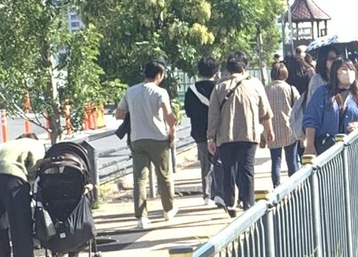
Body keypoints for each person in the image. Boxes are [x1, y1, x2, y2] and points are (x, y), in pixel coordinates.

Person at [205, 51, 271, 214]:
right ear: (244, 68)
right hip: (249, 134)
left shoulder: (219, 87)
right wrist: (269, 131)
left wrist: (210, 138)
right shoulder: (255, 84)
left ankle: (230, 202)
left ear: (228, 69)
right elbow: (265, 112)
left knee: (228, 169)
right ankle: (248, 203)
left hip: (226, 136)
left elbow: (213, 115)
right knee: (247, 169)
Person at [116, 58, 177, 231]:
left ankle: (142, 217)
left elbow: (119, 114)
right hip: (158, 139)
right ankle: (168, 209)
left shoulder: (131, 91)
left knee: (139, 179)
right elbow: (169, 115)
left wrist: (135, 113)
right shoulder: (160, 92)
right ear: (159, 74)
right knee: (163, 175)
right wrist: (172, 130)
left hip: (137, 139)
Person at [302, 56, 358, 157]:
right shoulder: (322, 93)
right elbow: (311, 120)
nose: (349, 72)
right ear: (335, 73)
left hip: (355, 151)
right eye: (344, 69)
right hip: (327, 151)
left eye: (351, 70)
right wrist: (309, 146)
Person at [182, 57, 218, 199]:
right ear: (216, 71)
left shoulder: (191, 90)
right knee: (220, 161)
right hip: (219, 131)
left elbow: (189, 112)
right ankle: (220, 192)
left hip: (200, 132)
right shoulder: (219, 87)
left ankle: (206, 194)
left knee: (205, 164)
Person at [265, 57, 305, 186]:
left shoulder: (266, 89)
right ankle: (294, 186)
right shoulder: (290, 89)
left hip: (271, 129)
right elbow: (298, 108)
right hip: (289, 129)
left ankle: (276, 186)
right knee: (292, 160)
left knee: (276, 161)